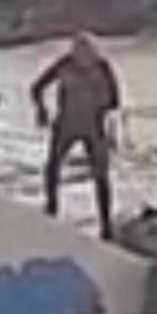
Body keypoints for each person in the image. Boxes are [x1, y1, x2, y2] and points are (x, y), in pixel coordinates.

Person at [31, 32, 122, 239]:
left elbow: (115, 101)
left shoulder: (103, 67)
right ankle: (52, 207)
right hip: (67, 124)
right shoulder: (64, 65)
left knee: (101, 175)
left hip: (93, 127)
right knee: (53, 166)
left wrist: (104, 109)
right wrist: (41, 111)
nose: (84, 65)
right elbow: (36, 88)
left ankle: (106, 224)